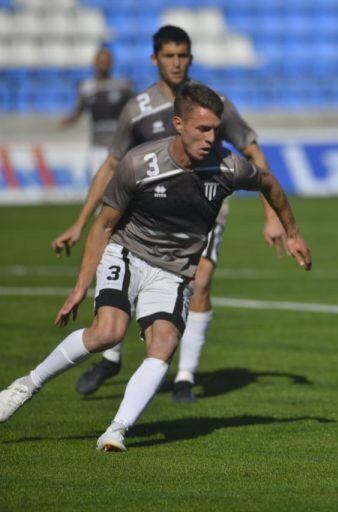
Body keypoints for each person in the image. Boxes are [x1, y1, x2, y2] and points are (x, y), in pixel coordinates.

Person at [0, 82, 312, 452]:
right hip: (128, 254)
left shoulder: (228, 167)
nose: (212, 138)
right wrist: (81, 286)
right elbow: (103, 225)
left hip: (175, 271)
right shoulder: (139, 164)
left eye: (216, 129)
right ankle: (25, 386)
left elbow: (270, 184)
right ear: (178, 123)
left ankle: (116, 430)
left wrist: (291, 231)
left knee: (163, 343)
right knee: (107, 334)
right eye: (203, 129)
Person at [51, 26, 288, 403]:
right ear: (155, 59)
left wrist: (271, 216)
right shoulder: (139, 109)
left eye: (183, 55)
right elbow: (112, 166)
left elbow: (253, 153)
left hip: (205, 204)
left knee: (202, 282)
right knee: (130, 280)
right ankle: (112, 355)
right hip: (146, 208)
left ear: (191, 58)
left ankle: (184, 377)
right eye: (169, 55)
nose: (177, 63)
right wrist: (80, 223)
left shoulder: (215, 104)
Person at [60, 46, 134, 177]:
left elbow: (135, 109)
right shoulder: (87, 87)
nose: (104, 65)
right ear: (95, 63)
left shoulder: (123, 86)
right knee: (97, 188)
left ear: (111, 63)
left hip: (118, 146)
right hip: (97, 147)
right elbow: (79, 111)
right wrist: (68, 120)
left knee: (118, 189)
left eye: (107, 61)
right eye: (101, 61)